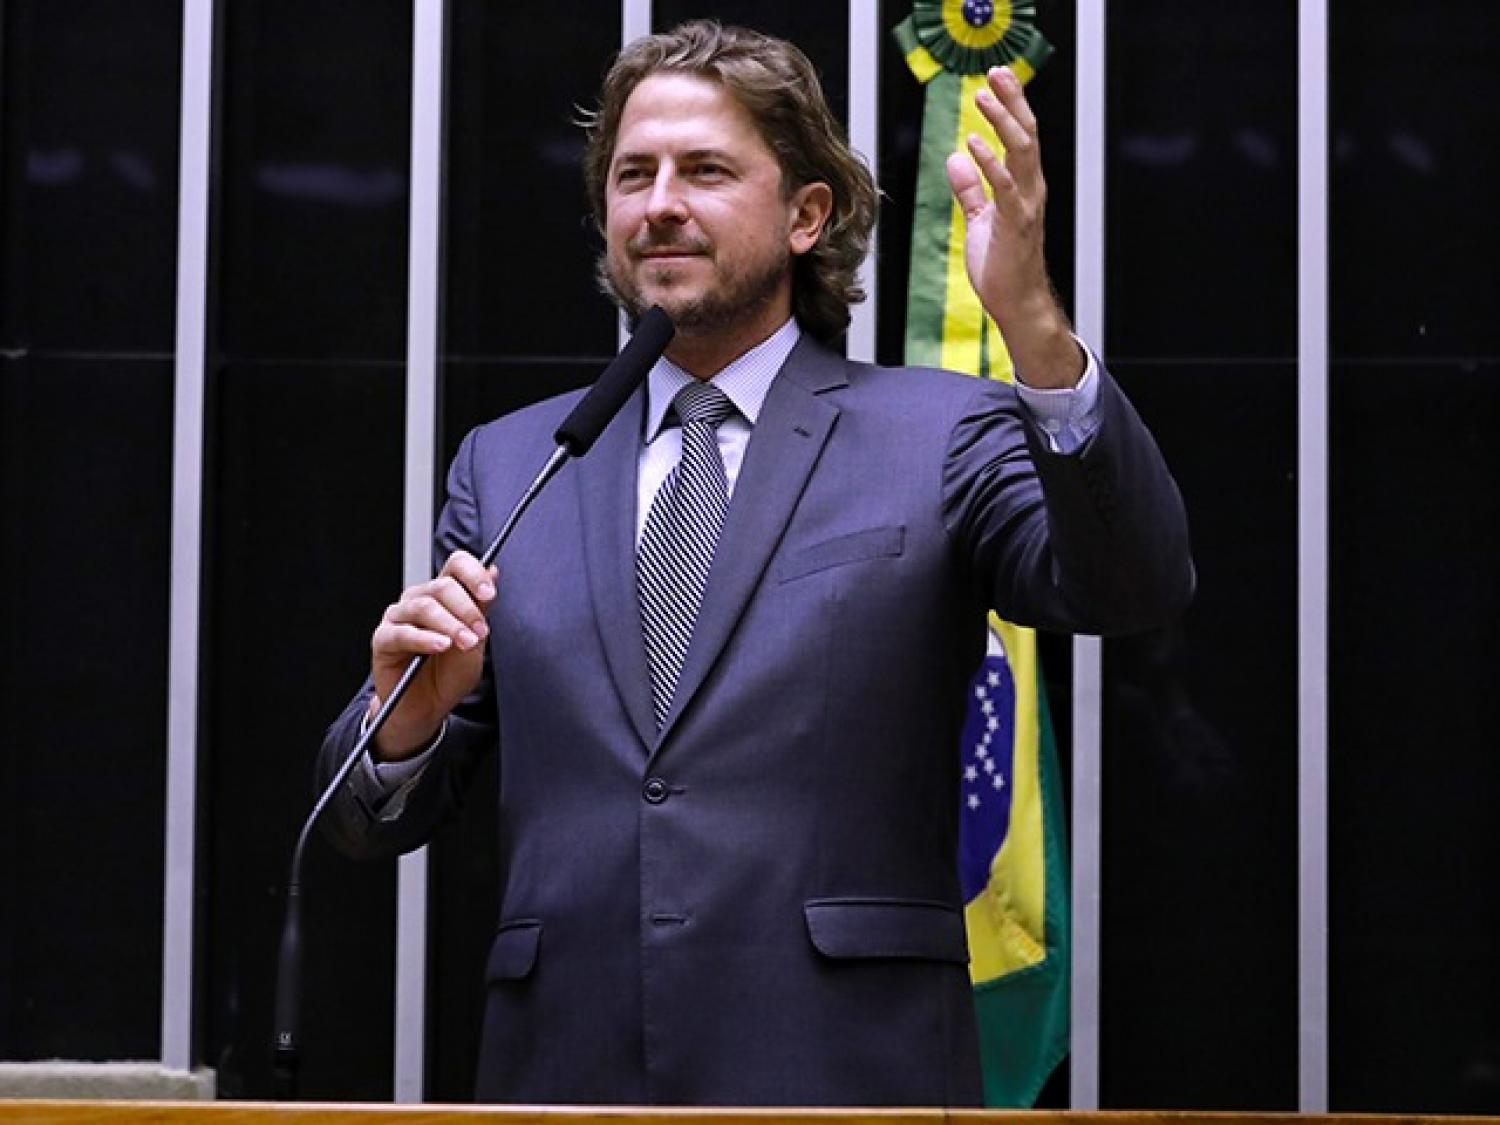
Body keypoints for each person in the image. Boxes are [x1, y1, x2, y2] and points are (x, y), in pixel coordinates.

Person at [319, 20, 1192, 1107]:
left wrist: (1032, 324)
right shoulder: (512, 464)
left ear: (806, 215)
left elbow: (1134, 584)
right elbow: (361, 818)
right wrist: (405, 720)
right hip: (567, 1075)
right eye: (633, 175)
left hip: (846, 1073)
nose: (659, 204)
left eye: (705, 170)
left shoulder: (939, 433)